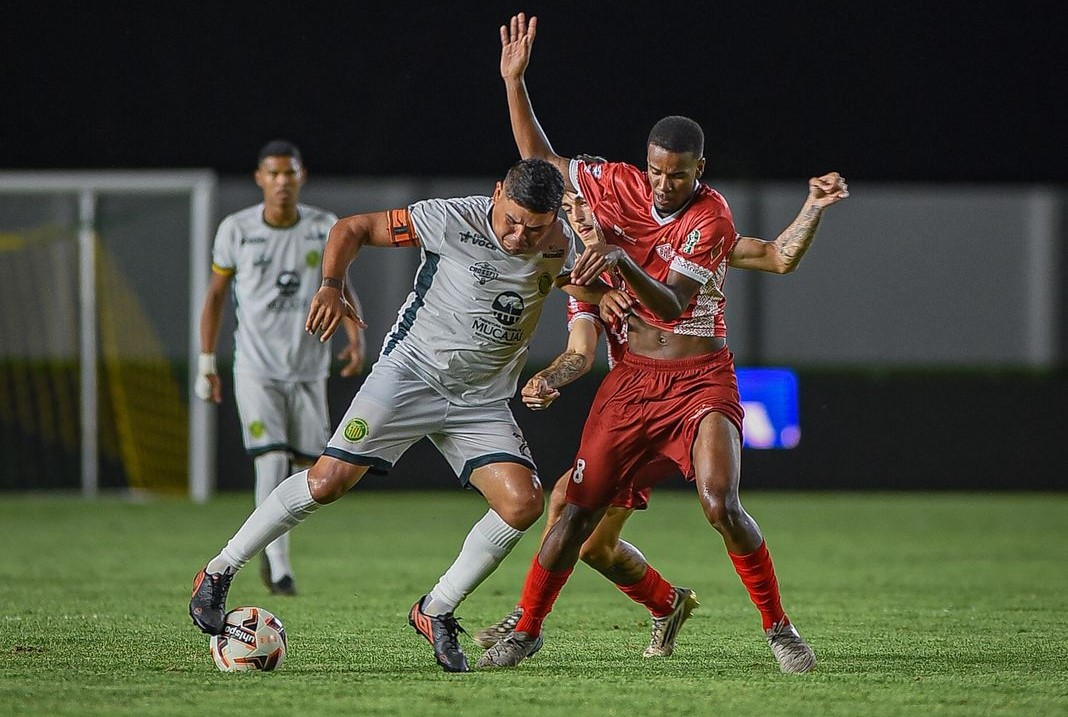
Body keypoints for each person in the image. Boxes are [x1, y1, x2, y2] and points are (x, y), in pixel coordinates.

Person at [477, 13, 849, 673]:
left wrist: (617, 260)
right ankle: (531, 625)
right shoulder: (610, 200)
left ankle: (780, 629)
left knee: (719, 501)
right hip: (630, 387)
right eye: (654, 171)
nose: (661, 184)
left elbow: (675, 300)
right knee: (573, 514)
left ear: (697, 170)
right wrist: (515, 82)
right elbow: (541, 164)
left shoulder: (711, 217)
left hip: (701, 379)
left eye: (675, 175)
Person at [190, 157, 605, 674]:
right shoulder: (454, 218)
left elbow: (579, 288)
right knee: (327, 482)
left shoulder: (561, 242)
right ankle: (219, 570)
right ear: (496, 193)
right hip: (409, 374)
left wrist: (612, 301)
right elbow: (353, 228)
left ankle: (436, 609)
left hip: (480, 399)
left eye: (534, 227)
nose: (519, 235)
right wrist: (331, 285)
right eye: (512, 220)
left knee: (523, 504)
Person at [474, 190, 698, 659]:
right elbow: (580, 352)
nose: (578, 217)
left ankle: (526, 619)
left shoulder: (647, 253)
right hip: (631, 411)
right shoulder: (585, 278)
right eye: (570, 209)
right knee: (596, 548)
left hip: (674, 406)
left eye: (585, 205)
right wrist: (547, 378)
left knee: (565, 501)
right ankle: (667, 602)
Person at [194, 139, 365, 596]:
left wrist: (354, 334)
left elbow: (339, 283)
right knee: (270, 459)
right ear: (259, 179)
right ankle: (278, 563)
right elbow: (214, 297)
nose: (282, 181)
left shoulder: (323, 226)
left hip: (308, 368)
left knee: (308, 471)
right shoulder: (237, 229)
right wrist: (206, 362)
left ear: (301, 176)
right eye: (273, 173)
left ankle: (276, 555)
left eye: (289, 173)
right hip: (255, 368)